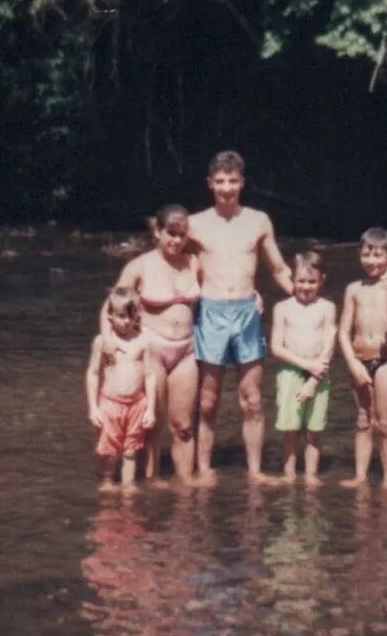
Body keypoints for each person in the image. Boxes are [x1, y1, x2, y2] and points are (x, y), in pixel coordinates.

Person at [187, 150, 294, 484]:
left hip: (247, 314)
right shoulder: (195, 224)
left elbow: (277, 267)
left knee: (252, 401)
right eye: (220, 181)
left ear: (242, 182)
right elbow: (178, 267)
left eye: (233, 181)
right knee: (207, 402)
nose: (227, 188)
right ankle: (203, 470)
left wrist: (304, 299)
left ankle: (255, 472)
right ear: (209, 183)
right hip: (211, 313)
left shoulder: (258, 221)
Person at [109, 205, 202, 482]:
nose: (176, 240)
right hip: (153, 349)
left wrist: (254, 295)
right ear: (158, 232)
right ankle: (151, 483)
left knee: (184, 425)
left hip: (186, 349)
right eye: (170, 234)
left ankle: (186, 487)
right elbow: (110, 307)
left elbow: (219, 290)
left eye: (181, 234)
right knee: (153, 425)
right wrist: (107, 346)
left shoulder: (194, 262)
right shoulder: (139, 266)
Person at [338, 228, 387, 489]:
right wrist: (352, 363)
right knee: (363, 419)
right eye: (367, 254)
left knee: (384, 421)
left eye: (378, 255)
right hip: (359, 359)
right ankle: (359, 477)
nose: (372, 261)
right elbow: (343, 331)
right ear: (360, 255)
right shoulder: (353, 289)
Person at [268, 251, 336, 486]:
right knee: (290, 430)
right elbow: (276, 348)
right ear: (292, 279)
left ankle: (310, 475)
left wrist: (314, 379)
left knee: (314, 431)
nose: (306, 287)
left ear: (321, 280)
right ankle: (288, 476)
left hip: (319, 375)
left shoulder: (327, 308)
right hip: (290, 372)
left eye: (311, 281)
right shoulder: (282, 308)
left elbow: (329, 346)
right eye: (301, 281)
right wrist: (307, 364)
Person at [86, 287, 159, 491]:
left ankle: (128, 484)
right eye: (120, 316)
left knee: (131, 450)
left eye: (130, 316)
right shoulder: (102, 342)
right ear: (110, 316)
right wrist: (93, 407)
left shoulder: (143, 342)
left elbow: (150, 375)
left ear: (137, 316)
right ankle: (108, 481)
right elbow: (93, 374)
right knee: (108, 449)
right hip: (110, 404)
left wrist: (151, 408)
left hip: (136, 404)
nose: (126, 321)